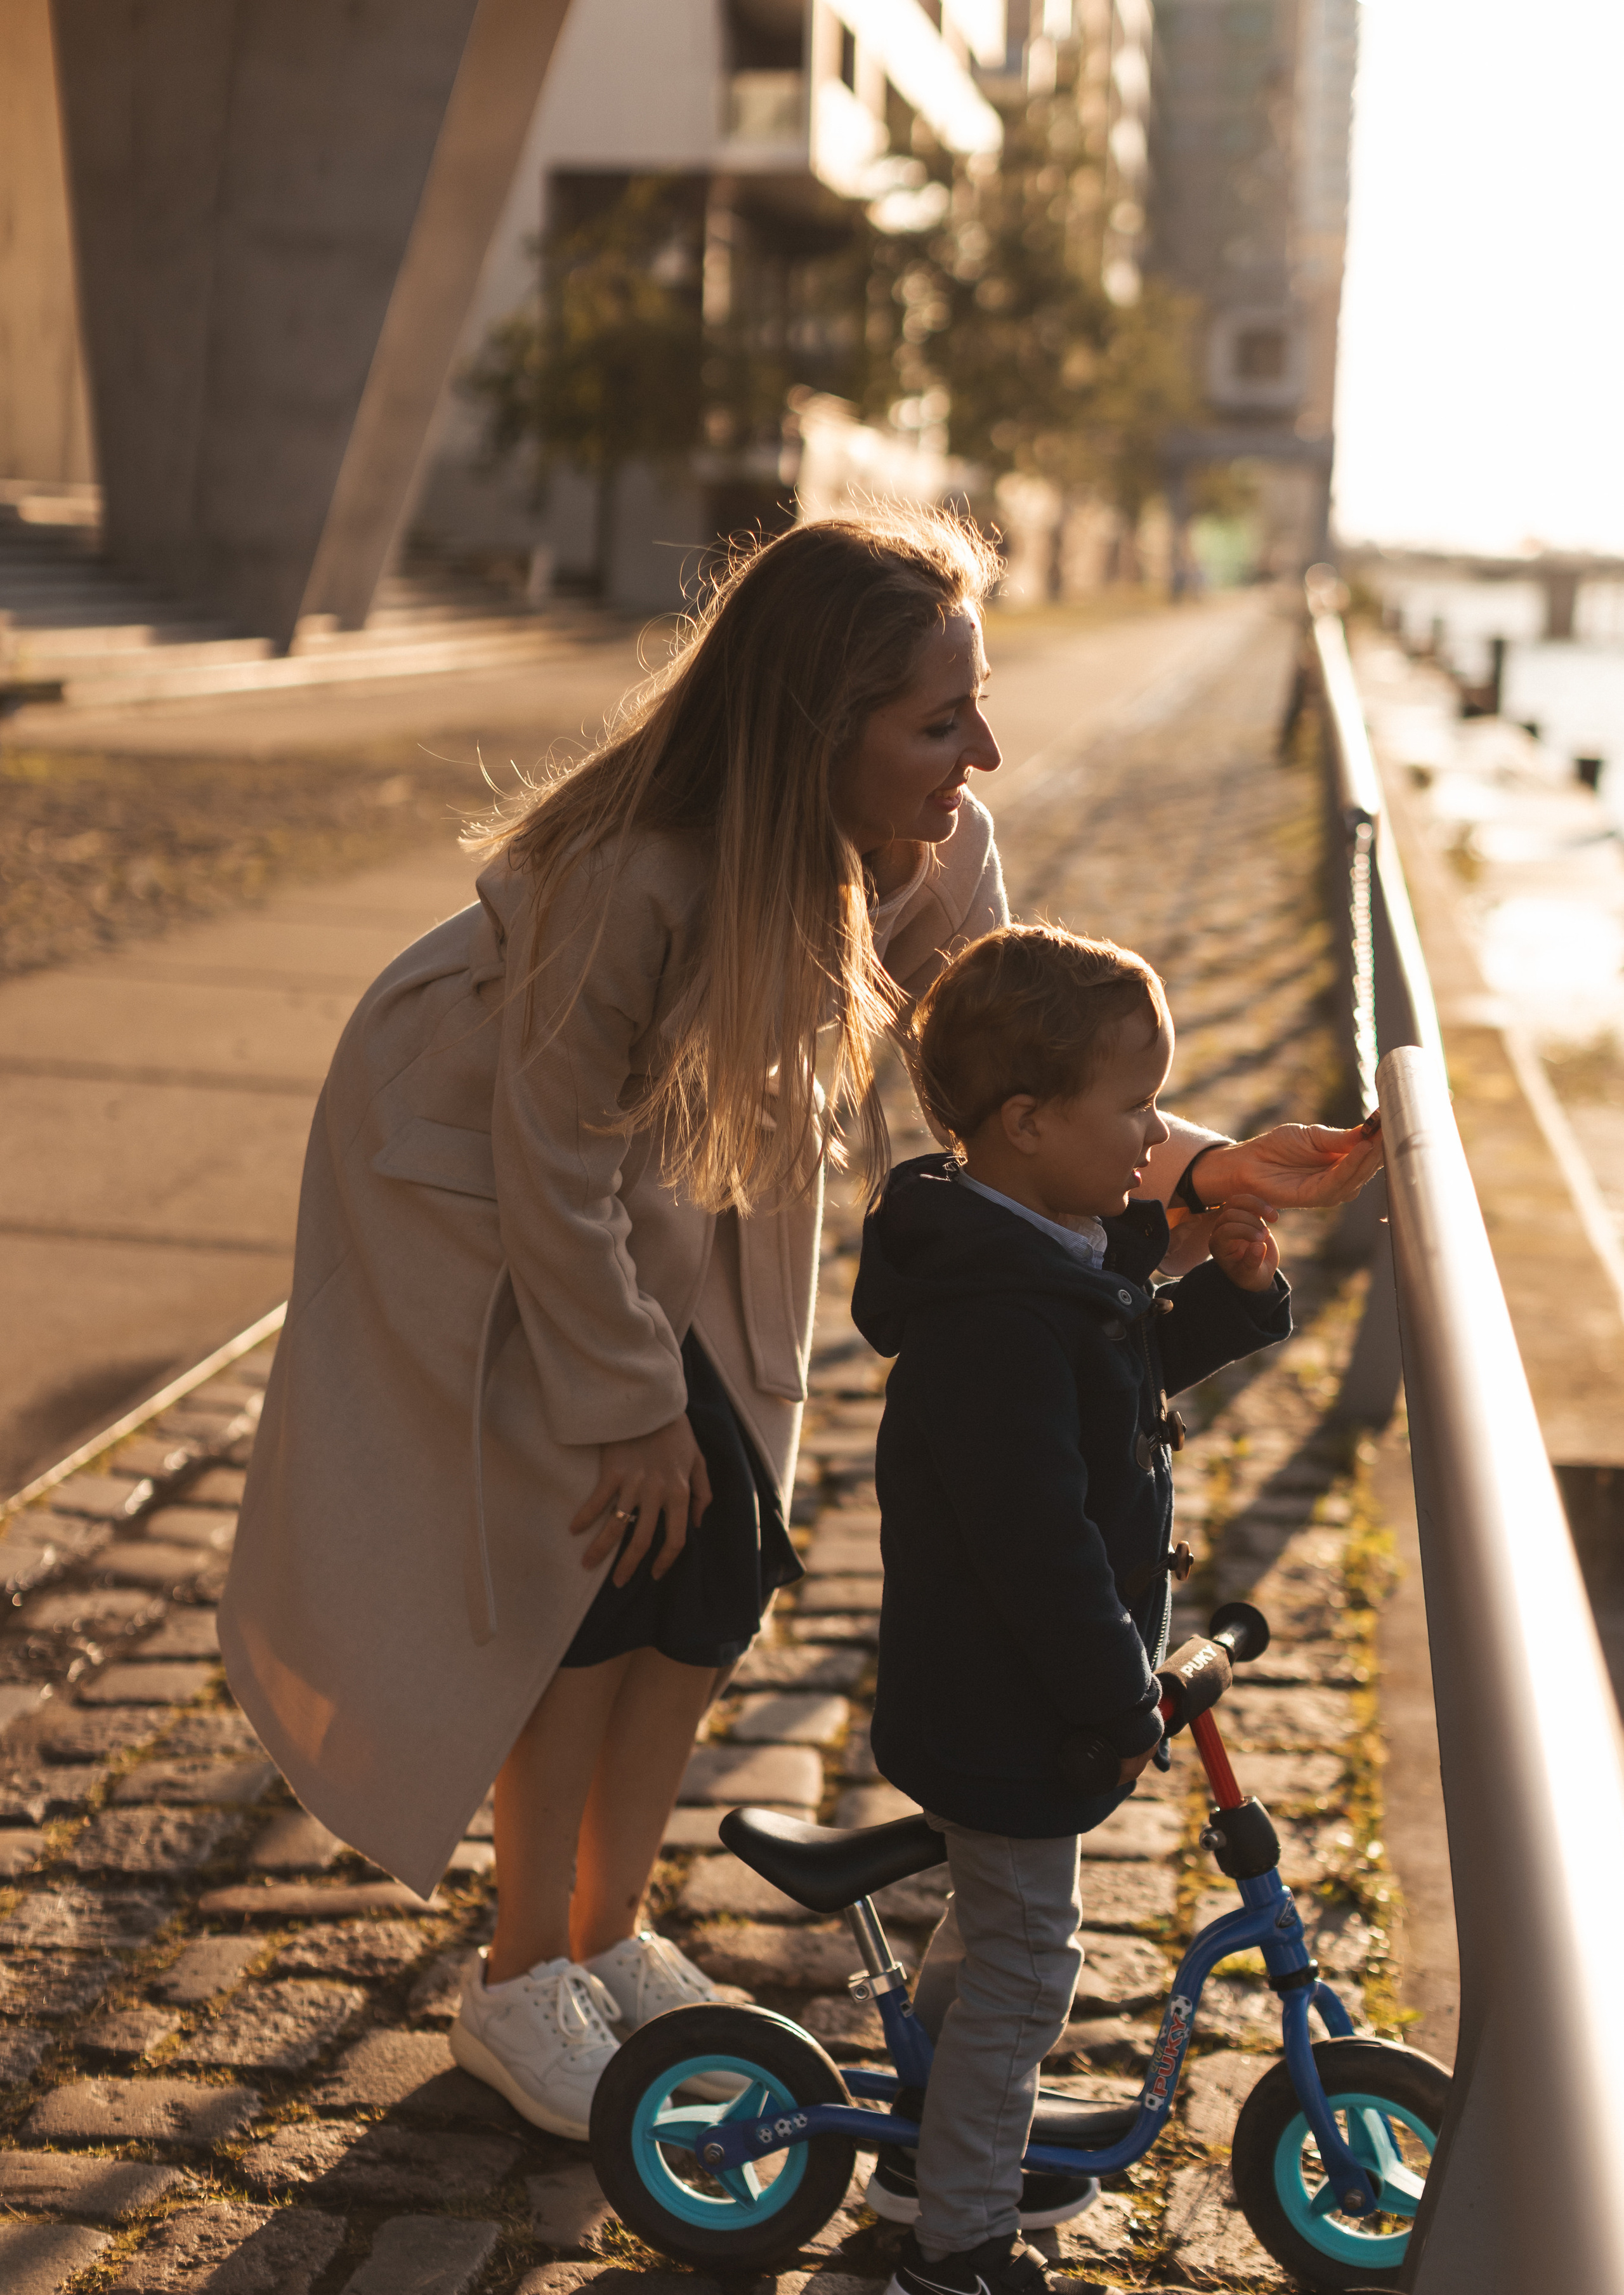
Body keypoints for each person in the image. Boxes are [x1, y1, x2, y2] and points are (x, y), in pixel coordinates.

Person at [219, 507, 1381, 2150]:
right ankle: (518, 1974)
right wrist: (627, 1400)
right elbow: (550, 1157)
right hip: (474, 1175)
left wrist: (1203, 1166)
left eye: (977, 707)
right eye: (939, 720)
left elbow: (1021, 1083)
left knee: (715, 1566)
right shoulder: (623, 874)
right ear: (812, 728)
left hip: (684, 1177)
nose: (983, 752)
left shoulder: (935, 845)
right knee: (593, 1571)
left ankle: (609, 1933)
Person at [851, 923, 1292, 2295]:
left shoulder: (1036, 1255)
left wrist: (1223, 1301)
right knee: (1030, 1962)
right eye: (1137, 1108)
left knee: (992, 1930)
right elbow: (1034, 1542)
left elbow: (1115, 1375)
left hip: (998, 1698)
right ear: (1028, 1122)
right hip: (1007, 1702)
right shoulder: (992, 1315)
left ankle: (934, 2150)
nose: (1162, 1140)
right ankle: (958, 2255)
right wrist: (1117, 1696)